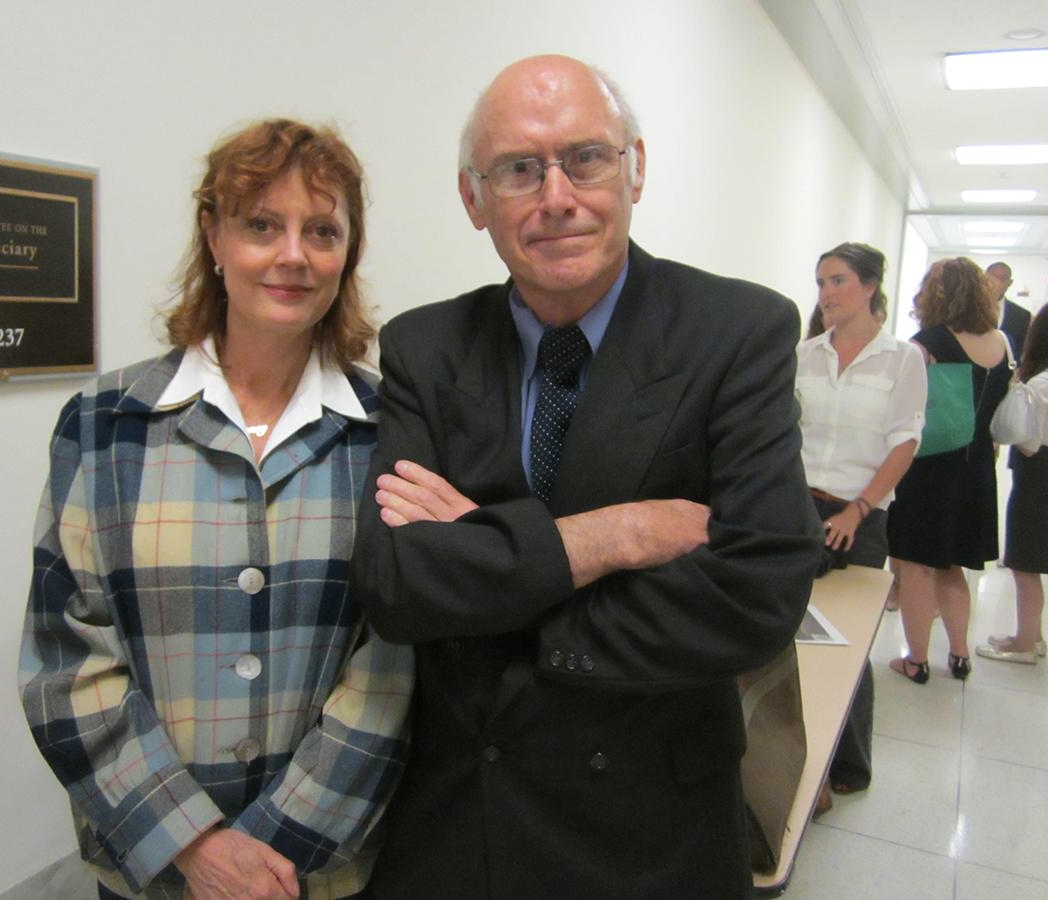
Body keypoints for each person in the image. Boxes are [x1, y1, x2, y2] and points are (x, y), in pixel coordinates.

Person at [349, 55, 823, 899]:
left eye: (587, 158)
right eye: (519, 170)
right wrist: (616, 535)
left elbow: (760, 593)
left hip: (653, 830)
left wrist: (486, 572)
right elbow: (395, 585)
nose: (557, 196)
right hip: (466, 824)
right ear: (473, 199)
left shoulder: (736, 333)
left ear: (636, 168)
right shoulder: (425, 348)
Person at [18, 119, 413, 900]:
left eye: (323, 230)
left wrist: (274, 851)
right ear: (214, 235)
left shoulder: (392, 428)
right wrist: (195, 847)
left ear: (349, 252)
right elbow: (66, 660)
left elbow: (395, 660)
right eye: (262, 224)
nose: (293, 254)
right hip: (156, 869)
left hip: (324, 873)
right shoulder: (103, 424)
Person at [796, 243, 926, 804]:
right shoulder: (804, 355)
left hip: (859, 516)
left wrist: (859, 508)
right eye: (821, 281)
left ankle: (848, 761)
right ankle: (795, 749)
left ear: (870, 287)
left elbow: (905, 442)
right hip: (797, 508)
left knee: (844, 643)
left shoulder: (902, 360)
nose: (825, 292)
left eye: (838, 280)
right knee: (789, 632)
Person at [887, 258, 1014, 683]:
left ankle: (917, 660)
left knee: (917, 566)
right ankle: (960, 656)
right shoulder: (999, 342)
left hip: (930, 467)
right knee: (953, 565)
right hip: (977, 466)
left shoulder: (930, 341)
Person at [979, 303, 1048, 664]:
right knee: (1032, 560)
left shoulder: (1040, 383)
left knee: (1026, 562)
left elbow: (1027, 440)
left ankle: (1024, 643)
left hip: (1038, 478)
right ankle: (1031, 635)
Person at [986, 261, 1032, 358]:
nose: (996, 282)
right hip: (970, 370)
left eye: (1002, 278)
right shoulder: (966, 309)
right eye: (993, 276)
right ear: (984, 278)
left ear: (1010, 283)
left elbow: (1020, 349)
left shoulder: (1022, 315)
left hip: (1006, 371)